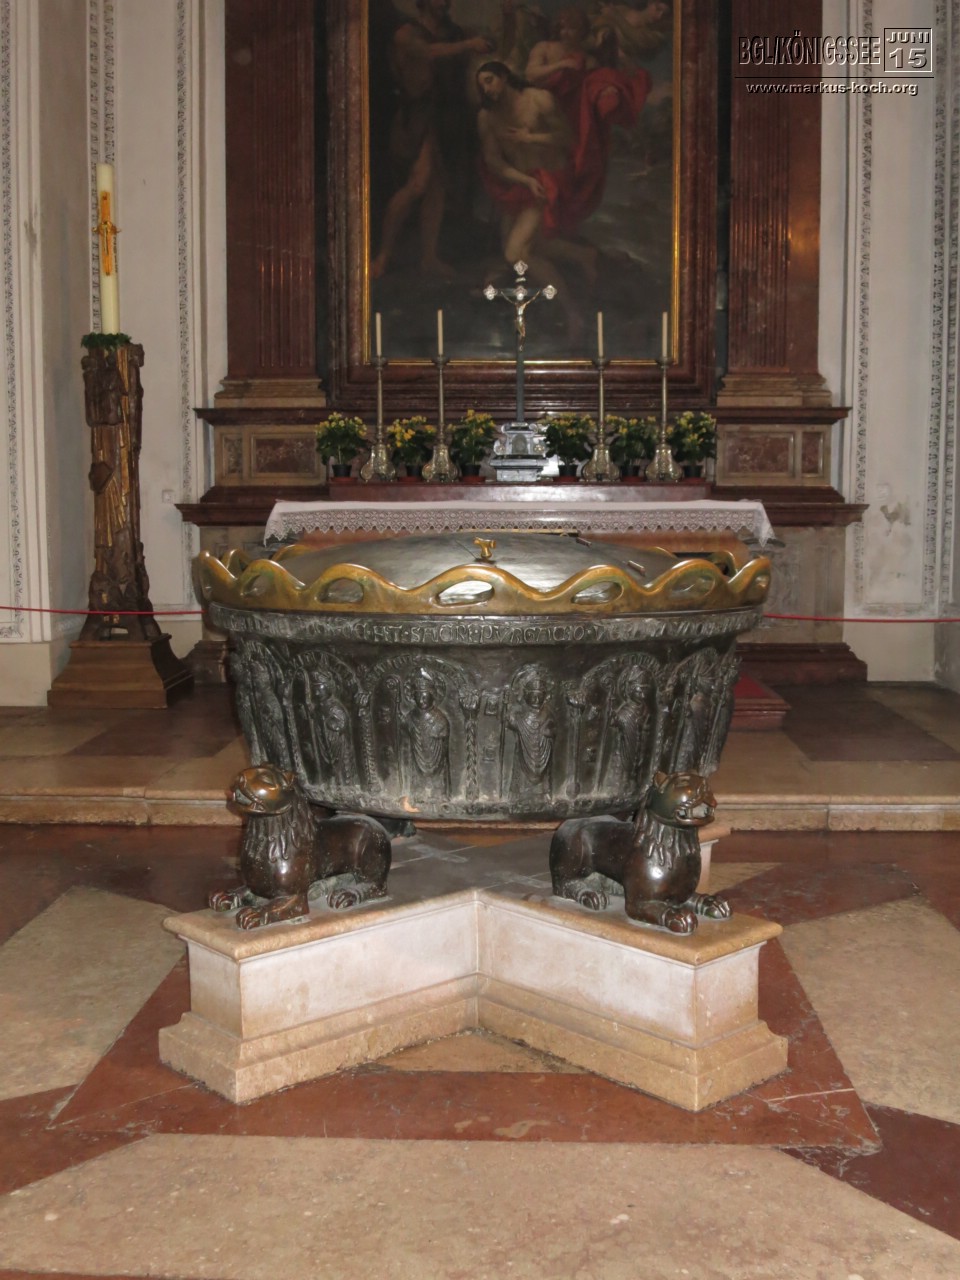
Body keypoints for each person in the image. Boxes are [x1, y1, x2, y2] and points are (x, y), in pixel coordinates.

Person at [371, 0, 492, 280]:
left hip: (446, 117)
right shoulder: (406, 33)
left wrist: (507, 20)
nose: (445, 2)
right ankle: (382, 256)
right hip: (418, 117)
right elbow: (428, 52)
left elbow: (490, 46)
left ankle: (428, 257)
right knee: (418, 183)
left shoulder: (454, 32)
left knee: (435, 188)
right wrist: (469, 44)